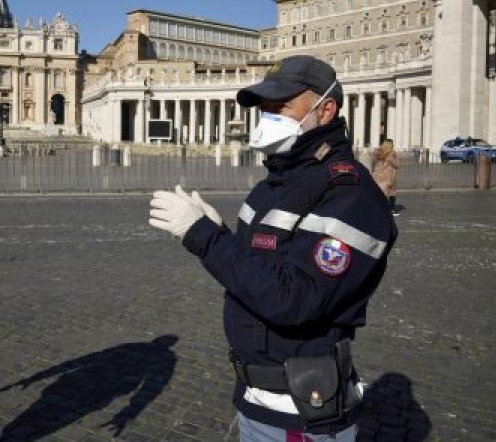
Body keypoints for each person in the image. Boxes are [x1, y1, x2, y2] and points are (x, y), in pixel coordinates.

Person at [148, 55, 397, 441]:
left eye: (280, 107)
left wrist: (205, 237)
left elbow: (295, 299)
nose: (268, 118)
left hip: (303, 411)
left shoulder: (350, 193)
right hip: (258, 396)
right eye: (264, 110)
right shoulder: (275, 184)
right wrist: (221, 232)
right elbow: (257, 269)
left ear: (325, 109)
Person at [372, 139, 399, 216]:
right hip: (388, 176)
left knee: (379, 193)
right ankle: (391, 210)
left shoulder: (377, 153)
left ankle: (379, 208)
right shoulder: (392, 154)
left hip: (378, 175)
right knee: (391, 193)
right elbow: (397, 165)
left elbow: (374, 162)